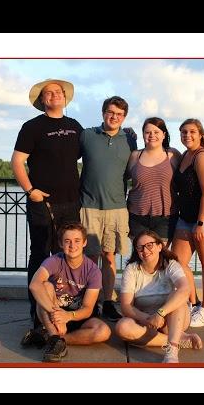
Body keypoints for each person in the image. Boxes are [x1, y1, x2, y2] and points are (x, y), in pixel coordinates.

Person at [11, 79, 83, 327]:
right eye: (48, 93)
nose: (54, 95)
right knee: (41, 254)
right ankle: (38, 313)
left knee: (68, 256)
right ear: (42, 100)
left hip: (71, 203)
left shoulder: (74, 126)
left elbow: (90, 152)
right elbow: (17, 161)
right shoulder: (32, 127)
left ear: (65, 97)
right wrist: (30, 190)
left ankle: (65, 309)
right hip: (43, 204)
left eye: (58, 92)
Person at [79, 96, 137, 321]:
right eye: (111, 112)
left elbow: (134, 169)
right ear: (103, 113)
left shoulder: (129, 139)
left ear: (124, 117)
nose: (114, 117)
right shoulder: (87, 135)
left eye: (119, 114)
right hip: (89, 206)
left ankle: (108, 301)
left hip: (116, 207)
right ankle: (90, 302)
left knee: (110, 257)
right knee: (91, 257)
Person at [24, 222, 111, 363]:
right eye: (67, 241)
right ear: (60, 244)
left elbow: (88, 309)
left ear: (84, 243)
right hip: (51, 313)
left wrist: (68, 316)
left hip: (77, 315)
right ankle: (54, 336)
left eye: (77, 241)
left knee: (103, 332)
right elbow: (34, 285)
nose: (72, 245)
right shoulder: (54, 261)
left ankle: (53, 339)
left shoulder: (93, 270)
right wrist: (57, 316)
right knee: (45, 286)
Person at [115, 230, 203, 363]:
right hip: (147, 320)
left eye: (149, 245)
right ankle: (180, 339)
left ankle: (172, 352)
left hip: (173, 318)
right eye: (140, 247)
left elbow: (185, 289)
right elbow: (126, 306)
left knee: (176, 296)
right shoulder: (132, 270)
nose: (145, 250)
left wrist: (160, 313)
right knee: (122, 327)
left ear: (159, 246)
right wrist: (149, 318)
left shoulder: (171, 264)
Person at [171, 119, 204, 328]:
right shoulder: (185, 155)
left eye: (192, 131)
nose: (188, 135)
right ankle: (193, 304)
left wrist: (201, 223)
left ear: (200, 134)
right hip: (186, 217)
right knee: (177, 262)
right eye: (184, 132)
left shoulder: (202, 157)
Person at [126, 117, 181, 244]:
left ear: (164, 135)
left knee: (162, 254)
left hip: (165, 218)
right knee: (140, 254)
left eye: (156, 132)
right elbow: (122, 178)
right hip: (137, 217)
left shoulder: (173, 155)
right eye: (147, 132)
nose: (152, 135)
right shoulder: (135, 156)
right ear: (143, 135)